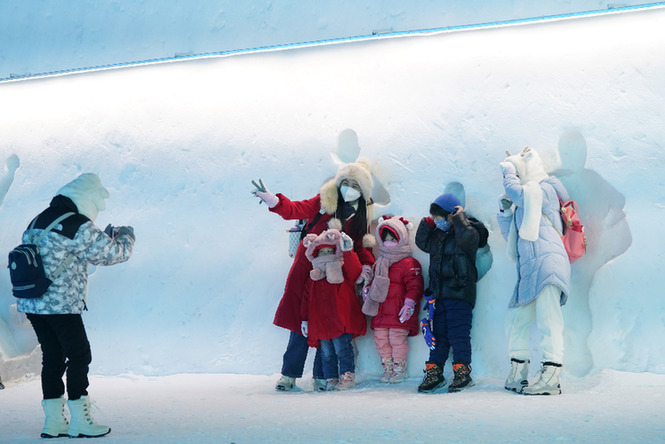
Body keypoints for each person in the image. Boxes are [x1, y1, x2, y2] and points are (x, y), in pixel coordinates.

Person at [16, 173, 135, 438]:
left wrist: (99, 237)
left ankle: (54, 423)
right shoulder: (78, 224)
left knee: (53, 358)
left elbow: (62, 252)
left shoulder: (39, 220)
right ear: (86, 198)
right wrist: (126, 236)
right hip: (61, 305)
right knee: (80, 356)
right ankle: (81, 421)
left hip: (34, 303)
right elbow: (113, 254)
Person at [252, 158, 375, 391]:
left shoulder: (359, 217)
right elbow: (296, 209)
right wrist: (274, 201)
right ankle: (289, 375)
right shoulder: (324, 201)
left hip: (333, 276)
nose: (349, 188)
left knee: (326, 323)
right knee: (300, 323)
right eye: (346, 181)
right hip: (306, 269)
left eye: (355, 185)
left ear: (363, 191)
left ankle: (321, 376)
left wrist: (366, 267)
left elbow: (361, 247)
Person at [497, 147, 571, 395]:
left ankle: (551, 376)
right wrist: (506, 213)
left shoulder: (545, 190)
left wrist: (508, 170)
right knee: (516, 320)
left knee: (550, 320)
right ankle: (519, 373)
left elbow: (518, 192)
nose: (513, 176)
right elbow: (514, 240)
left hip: (549, 263)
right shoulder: (525, 204)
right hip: (529, 269)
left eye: (517, 172)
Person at [415, 193, 487, 393]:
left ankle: (462, 372)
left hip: (460, 293)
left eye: (439, 217)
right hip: (439, 295)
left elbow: (470, 240)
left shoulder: (469, 229)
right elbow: (422, 242)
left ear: (451, 215)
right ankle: (434, 372)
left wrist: (460, 219)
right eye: (434, 218)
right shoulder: (438, 235)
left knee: (459, 334)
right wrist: (429, 222)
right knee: (438, 335)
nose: (437, 222)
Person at [300, 223, 367, 390]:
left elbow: (355, 271)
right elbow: (305, 300)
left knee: (342, 349)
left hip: (341, 320)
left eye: (329, 251)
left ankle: (347, 376)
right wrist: (305, 320)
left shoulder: (343, 271)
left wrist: (348, 251)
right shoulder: (313, 278)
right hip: (320, 322)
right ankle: (330, 378)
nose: (325, 255)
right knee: (326, 354)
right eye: (321, 252)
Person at [362, 215, 424, 384]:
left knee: (397, 340)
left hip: (398, 312)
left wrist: (409, 303)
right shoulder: (379, 263)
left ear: (402, 238)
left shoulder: (409, 263)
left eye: (393, 238)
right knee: (381, 340)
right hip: (381, 312)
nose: (388, 242)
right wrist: (367, 290)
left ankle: (399, 368)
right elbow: (374, 283)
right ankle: (387, 368)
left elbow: (415, 286)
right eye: (385, 238)